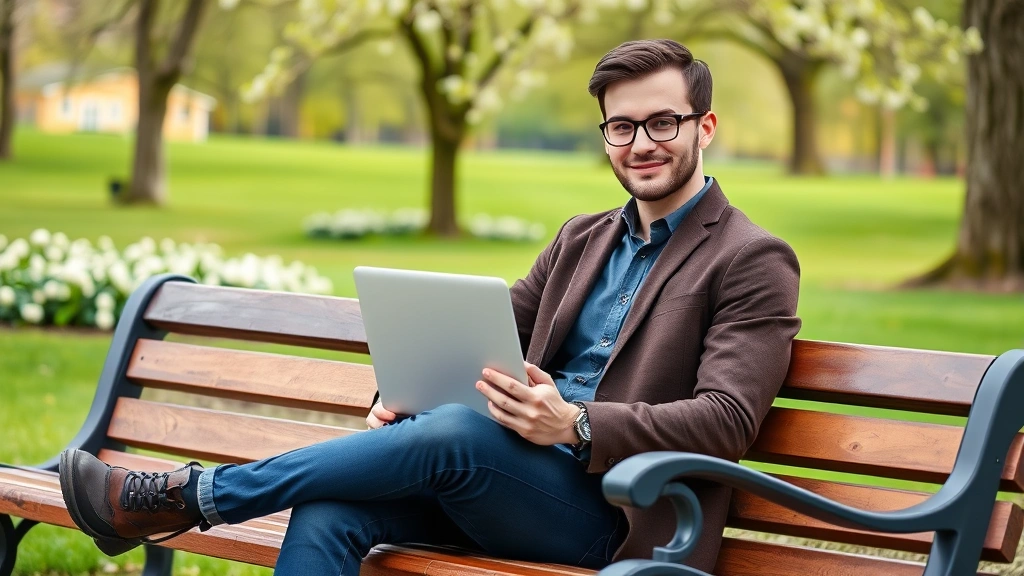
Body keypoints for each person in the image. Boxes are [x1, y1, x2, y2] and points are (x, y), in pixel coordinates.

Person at [58, 39, 800, 575]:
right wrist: (399, 396)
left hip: (618, 517)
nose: (641, 143)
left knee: (451, 434)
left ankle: (190, 494)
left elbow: (726, 421)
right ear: (605, 134)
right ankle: (184, 497)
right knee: (333, 510)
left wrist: (574, 425)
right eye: (621, 126)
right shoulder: (583, 238)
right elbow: (484, 336)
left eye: (662, 122)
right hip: (492, 479)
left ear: (704, 127)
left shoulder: (750, 258)